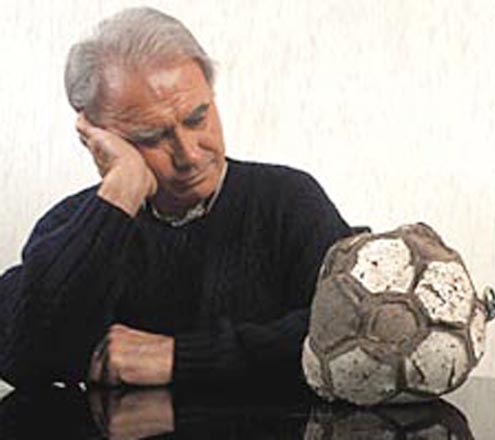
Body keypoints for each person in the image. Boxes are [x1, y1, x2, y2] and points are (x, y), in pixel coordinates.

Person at [0, 7, 351, 388]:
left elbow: (356, 331)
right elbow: (20, 357)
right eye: (150, 137)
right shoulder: (71, 225)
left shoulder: (289, 201)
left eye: (197, 118)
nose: (189, 155)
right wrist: (121, 190)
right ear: (98, 139)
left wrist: (181, 358)